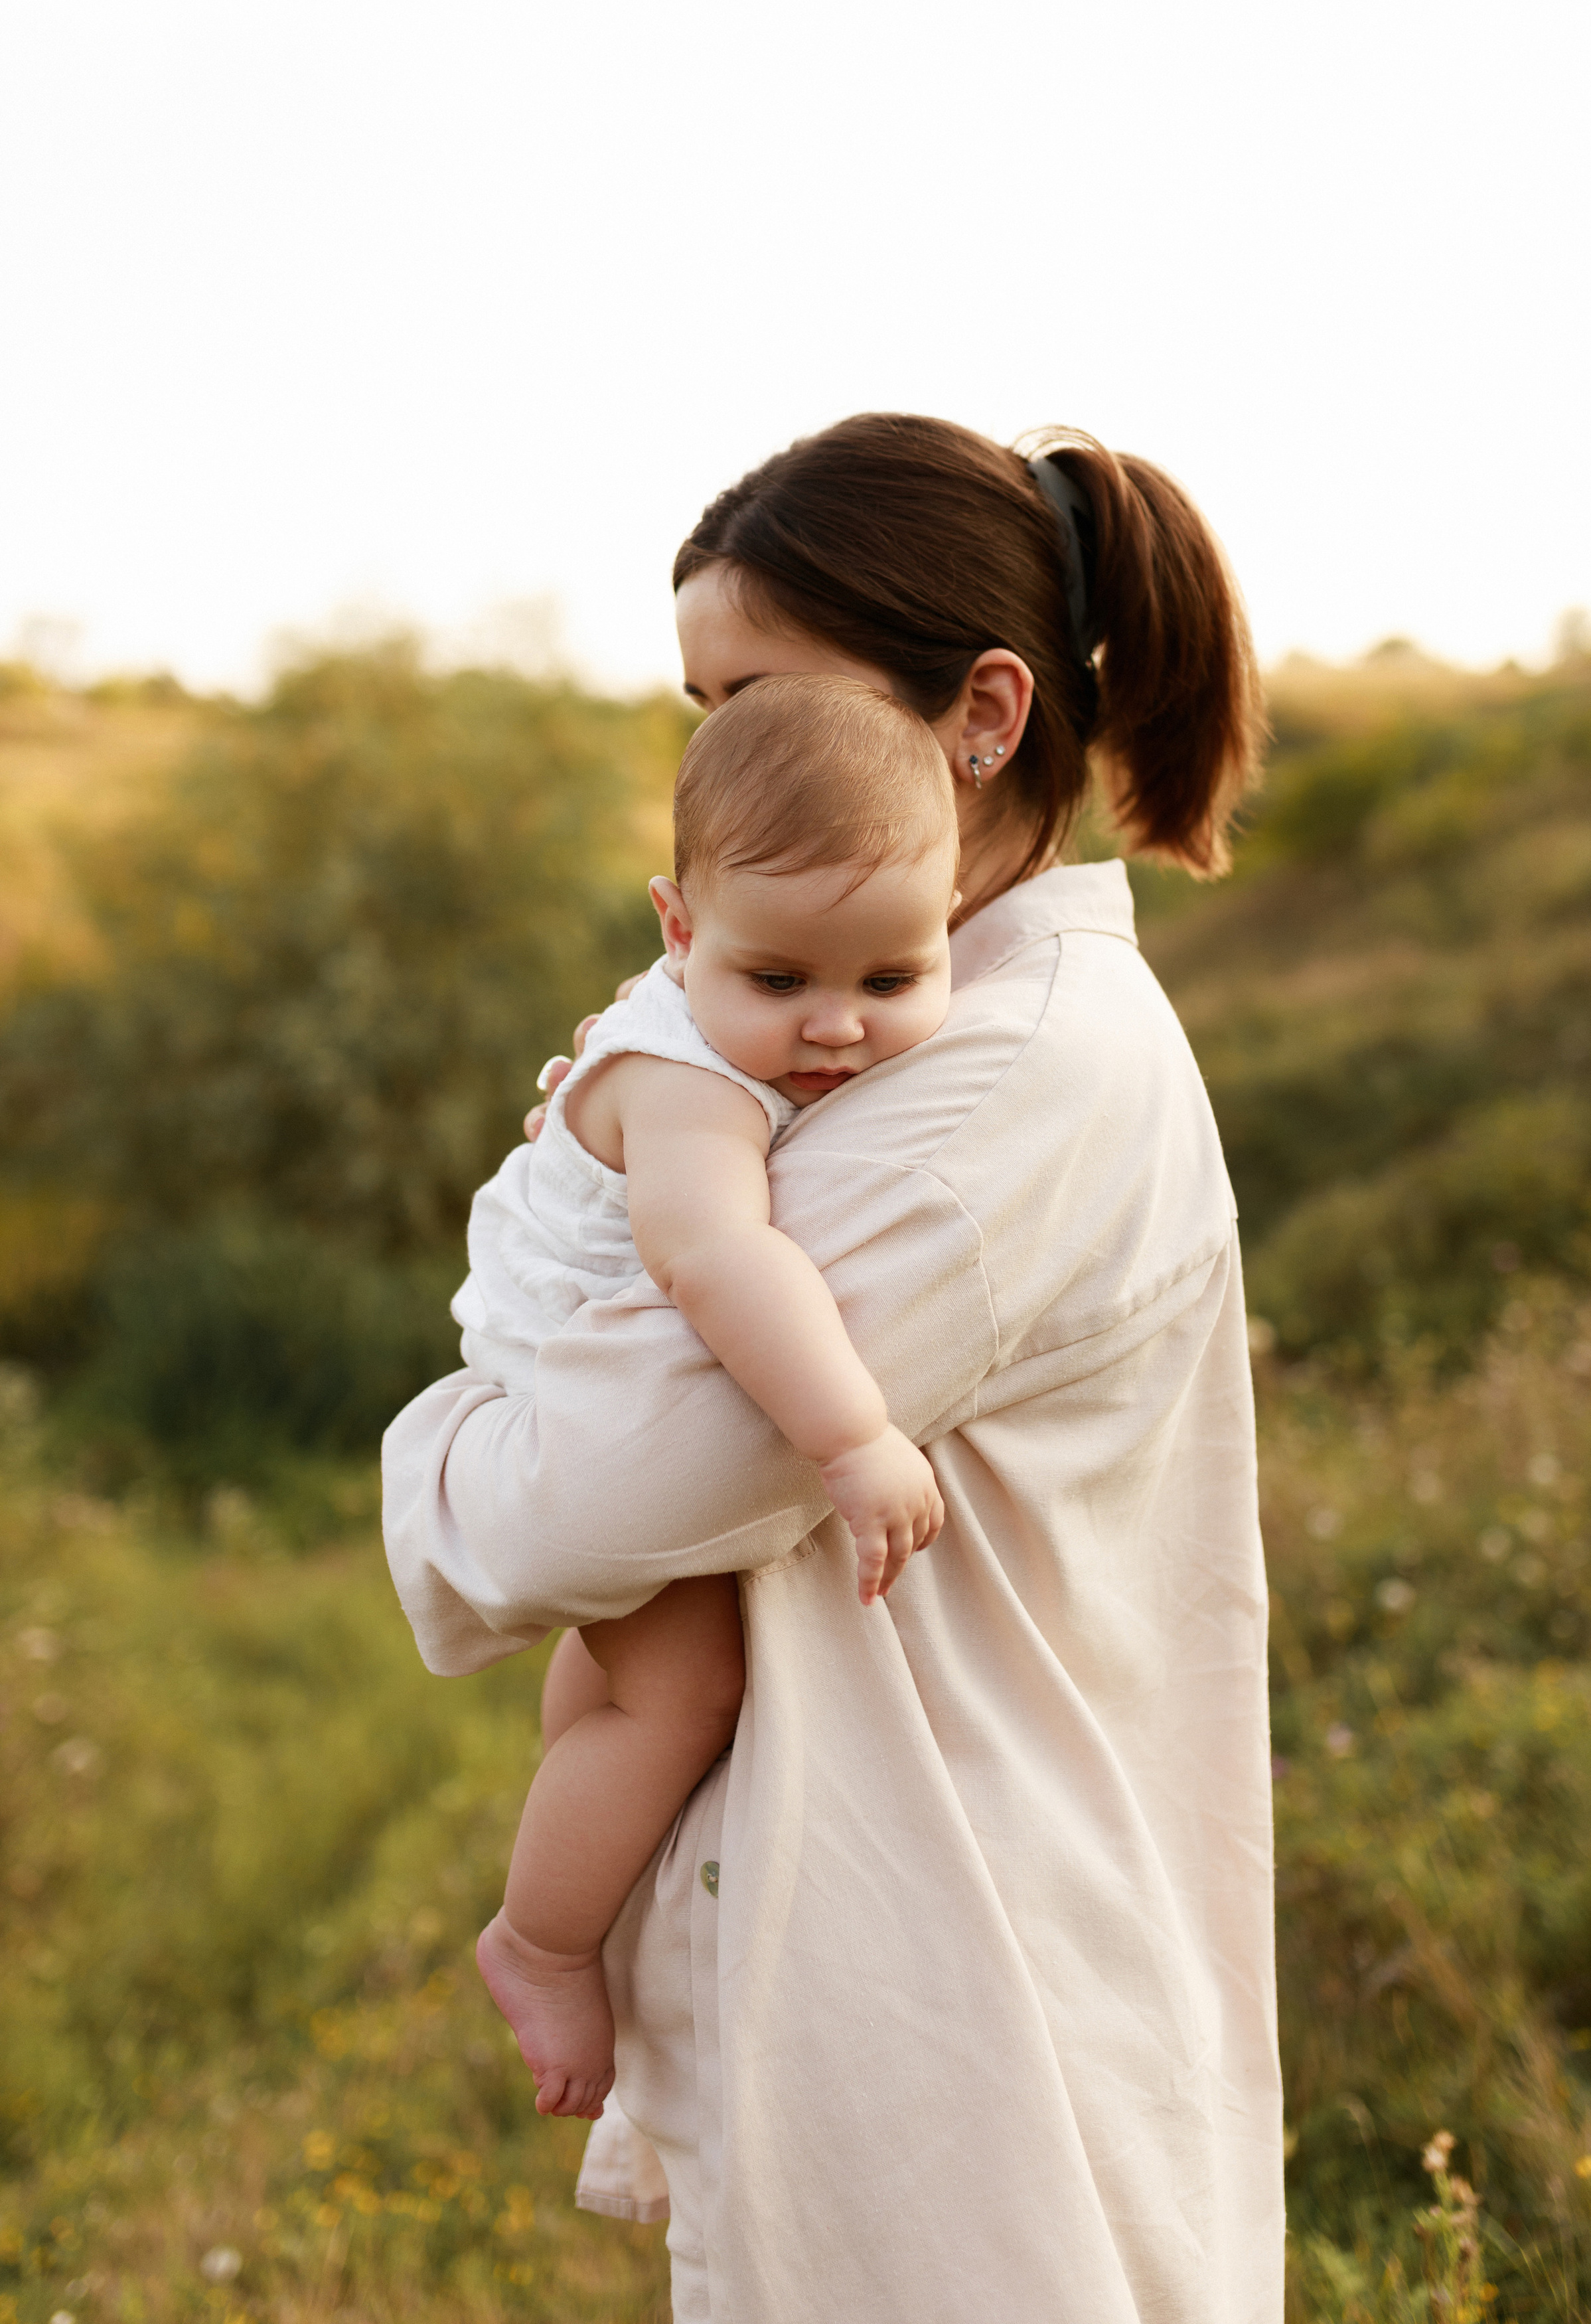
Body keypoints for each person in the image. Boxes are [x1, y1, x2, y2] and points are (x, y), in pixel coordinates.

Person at [383, 413, 1284, 2323]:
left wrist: (442, 1453)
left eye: (761, 697)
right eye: (697, 709)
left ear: (980, 712)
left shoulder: (994, 1080)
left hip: (951, 1962)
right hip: (924, 1928)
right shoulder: (884, 1029)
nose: (718, 761)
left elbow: (587, 1505)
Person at [466, 676, 954, 2122]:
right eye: (780, 982)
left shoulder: (733, 1011)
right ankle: (540, 1941)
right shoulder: (688, 1090)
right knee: (690, 1695)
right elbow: (715, 1254)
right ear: (677, 932)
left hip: (559, 1353)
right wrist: (853, 1439)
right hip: (564, 1387)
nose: (833, 1029)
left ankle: (583, 1780)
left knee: (629, 1684)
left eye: (888, 982)